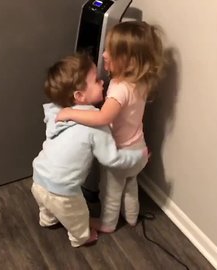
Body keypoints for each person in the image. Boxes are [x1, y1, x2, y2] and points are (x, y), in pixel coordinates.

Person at [56, 21, 165, 233]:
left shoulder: (119, 89)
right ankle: (132, 217)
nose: (104, 55)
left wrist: (69, 112)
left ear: (131, 62)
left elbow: (103, 118)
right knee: (131, 184)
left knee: (111, 191)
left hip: (121, 154)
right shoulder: (141, 82)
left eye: (110, 52)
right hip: (139, 150)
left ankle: (107, 223)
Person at [31, 52, 148, 247]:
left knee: (47, 206)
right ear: (79, 95)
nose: (102, 82)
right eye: (96, 80)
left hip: (38, 177)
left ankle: (48, 220)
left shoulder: (57, 112)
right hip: (64, 190)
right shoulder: (96, 125)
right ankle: (81, 238)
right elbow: (112, 159)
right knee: (78, 216)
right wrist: (137, 155)